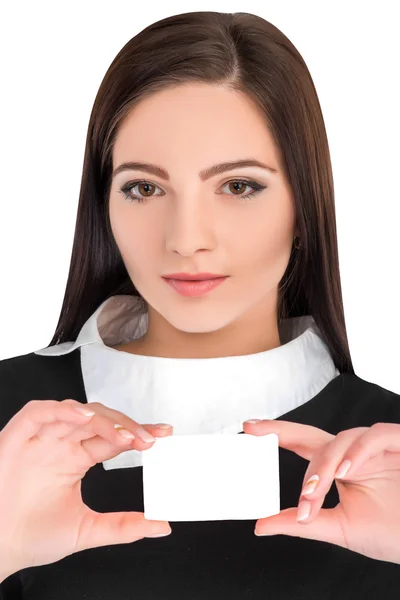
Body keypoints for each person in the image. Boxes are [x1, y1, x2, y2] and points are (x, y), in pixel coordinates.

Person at [0, 9, 399, 599]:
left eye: (239, 186)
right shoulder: (10, 424)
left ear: (303, 206)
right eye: (144, 187)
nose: (186, 238)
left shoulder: (389, 451)